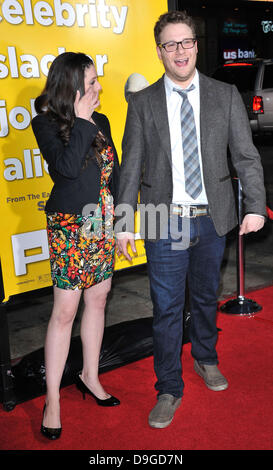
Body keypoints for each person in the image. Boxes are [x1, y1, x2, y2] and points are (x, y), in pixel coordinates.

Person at [116, 10, 266, 429]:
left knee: (204, 298)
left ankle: (205, 358)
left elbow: (246, 155)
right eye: (170, 44)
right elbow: (131, 166)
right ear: (159, 51)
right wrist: (124, 219)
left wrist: (255, 205)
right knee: (165, 308)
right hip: (164, 220)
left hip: (211, 218)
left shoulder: (224, 95)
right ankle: (168, 387)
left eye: (186, 42)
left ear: (196, 45)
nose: (180, 51)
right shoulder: (143, 102)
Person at [32, 52, 120, 440]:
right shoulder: (46, 124)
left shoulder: (102, 121)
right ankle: (53, 399)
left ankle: (90, 375)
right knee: (65, 311)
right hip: (69, 225)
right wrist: (82, 121)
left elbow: (111, 176)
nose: (99, 87)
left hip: (101, 222)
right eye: (92, 81)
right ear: (72, 87)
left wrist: (119, 224)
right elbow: (66, 170)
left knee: (98, 299)